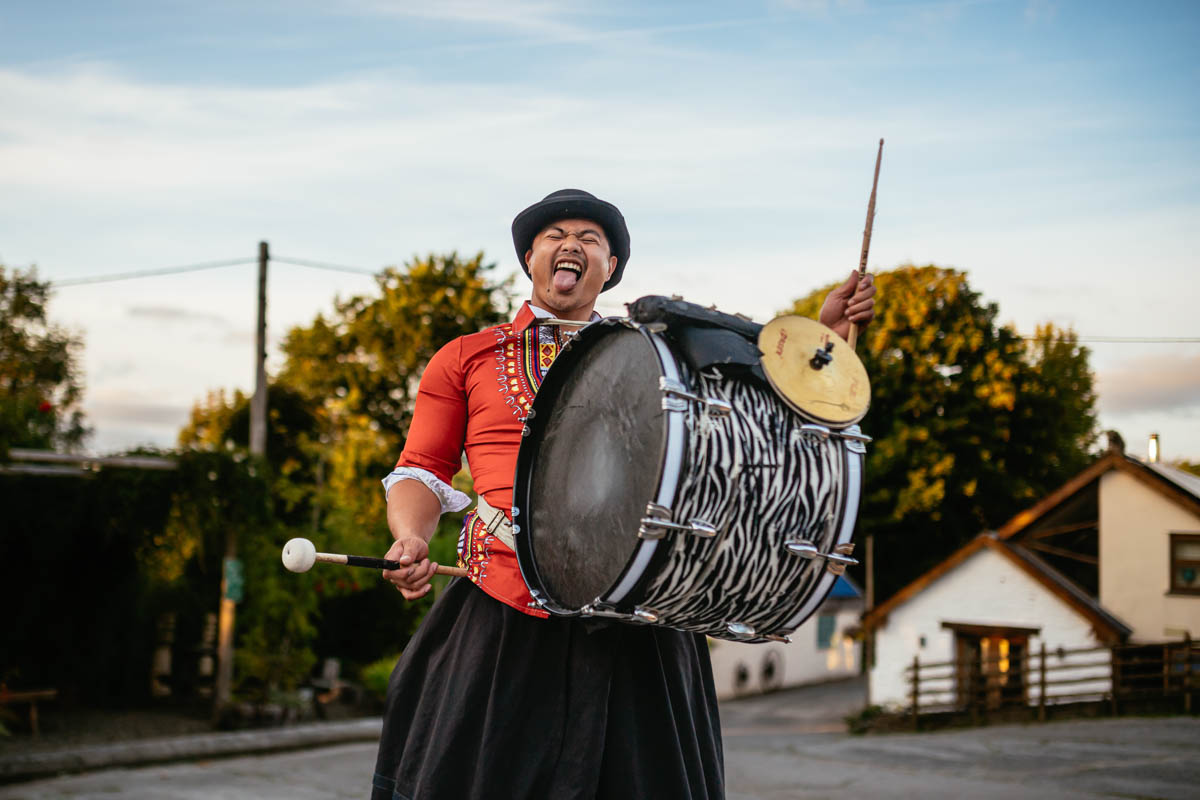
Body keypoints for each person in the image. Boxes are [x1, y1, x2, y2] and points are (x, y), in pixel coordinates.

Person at [370, 189, 876, 800]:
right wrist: (410, 537)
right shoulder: (467, 357)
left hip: (638, 608)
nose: (572, 245)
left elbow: (754, 419)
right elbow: (422, 468)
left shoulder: (659, 359)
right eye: (556, 235)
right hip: (501, 605)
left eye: (591, 239)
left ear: (610, 269)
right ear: (530, 257)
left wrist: (826, 339)